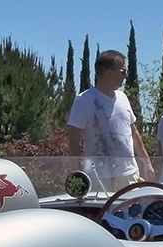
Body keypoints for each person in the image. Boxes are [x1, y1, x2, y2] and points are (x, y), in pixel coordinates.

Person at [66, 49, 154, 192]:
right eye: (123, 71)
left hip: (128, 175)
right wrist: (77, 175)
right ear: (109, 73)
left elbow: (133, 132)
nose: (126, 75)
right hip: (99, 179)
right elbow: (74, 139)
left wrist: (147, 163)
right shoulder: (84, 100)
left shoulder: (123, 98)